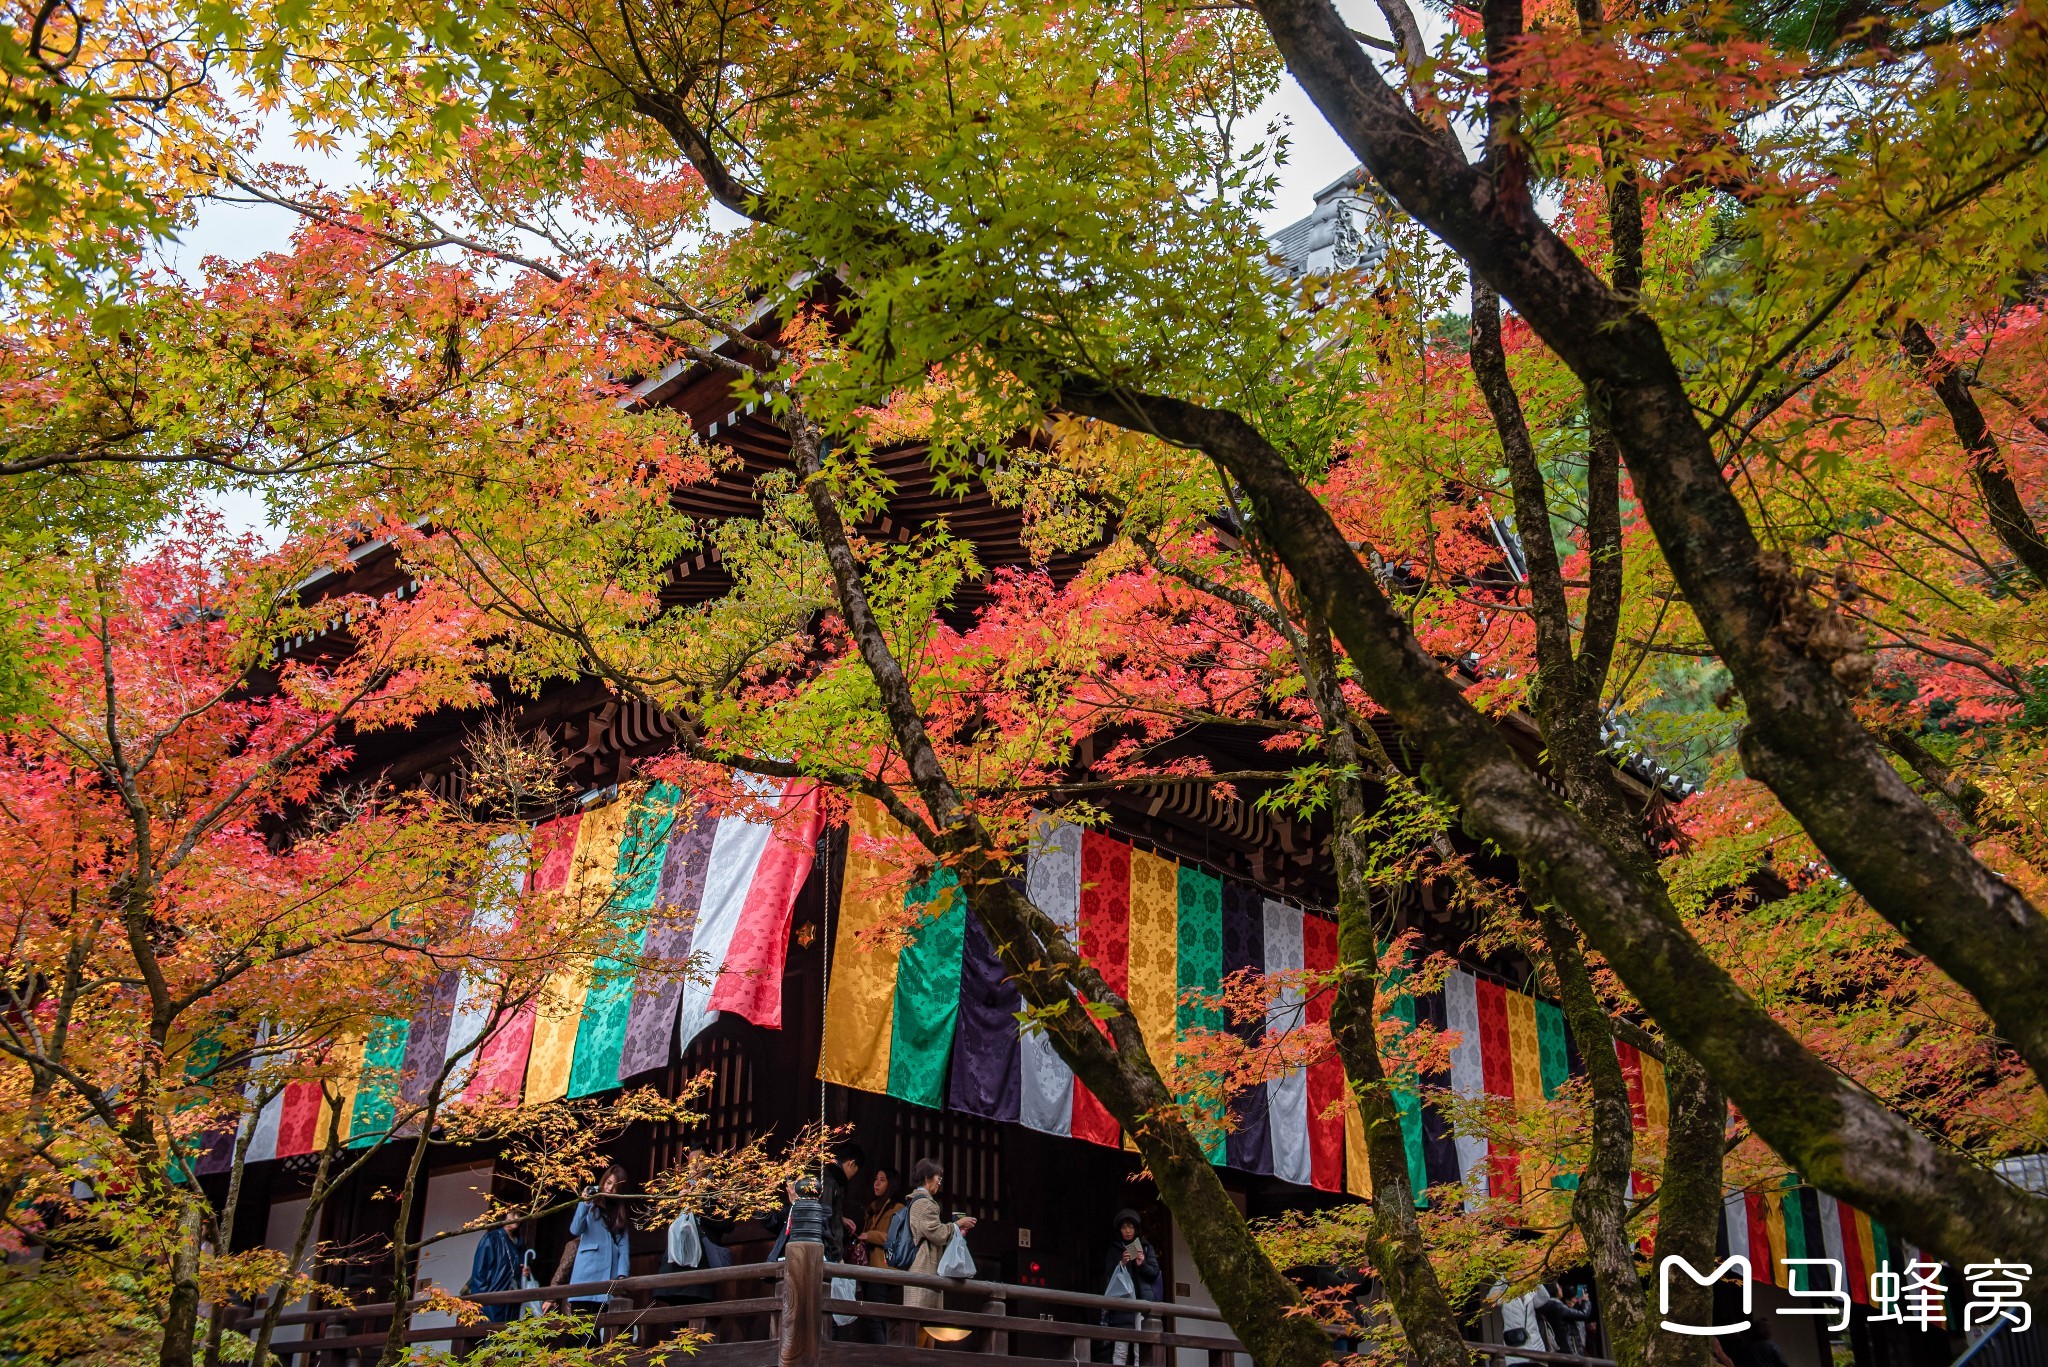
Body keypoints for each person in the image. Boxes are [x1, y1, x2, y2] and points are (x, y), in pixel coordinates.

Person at [901, 1158, 977, 1347]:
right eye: (938, 1177)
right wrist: (956, 1225)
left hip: (920, 1266)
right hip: (924, 1268)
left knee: (924, 1324)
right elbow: (937, 1233)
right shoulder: (926, 1204)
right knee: (923, 1323)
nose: (939, 1182)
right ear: (927, 1178)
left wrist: (954, 1230)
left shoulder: (914, 1201)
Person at [560, 1163, 634, 1344]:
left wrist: (622, 1273)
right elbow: (575, 1229)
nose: (609, 1188)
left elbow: (624, 1246)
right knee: (577, 1331)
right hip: (586, 1274)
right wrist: (584, 1202)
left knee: (597, 1335)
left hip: (608, 1276)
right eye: (608, 1183)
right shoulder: (591, 1205)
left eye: (615, 1186)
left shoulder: (619, 1213)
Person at [1097, 1208, 1162, 1365]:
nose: (1127, 1231)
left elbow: (1154, 1272)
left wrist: (1142, 1264)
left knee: (1140, 1349)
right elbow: (1107, 1275)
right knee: (1121, 1349)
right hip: (1122, 1304)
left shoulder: (1146, 1247)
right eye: (1124, 1227)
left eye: (1131, 1227)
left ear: (1136, 1228)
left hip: (1141, 1303)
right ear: (1119, 1230)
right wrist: (1122, 1263)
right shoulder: (1114, 1249)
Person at [849, 1167, 905, 1344]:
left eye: (882, 1179)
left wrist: (869, 1235)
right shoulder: (872, 1210)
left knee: (875, 1316)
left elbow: (895, 1238)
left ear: (891, 1184)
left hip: (883, 1268)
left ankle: (883, 1355)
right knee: (871, 1315)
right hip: (869, 1268)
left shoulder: (898, 1208)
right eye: (876, 1179)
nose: (876, 1183)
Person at [462, 1216, 523, 1322]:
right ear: (503, 1217)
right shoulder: (492, 1238)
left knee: (510, 1333)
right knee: (492, 1333)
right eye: (513, 1214)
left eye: (519, 1214)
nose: (516, 1217)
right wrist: (484, 1301)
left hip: (513, 1299)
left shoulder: (520, 1242)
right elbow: (479, 1273)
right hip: (493, 1297)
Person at [1534, 1281, 1593, 1355]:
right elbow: (1583, 1314)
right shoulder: (1556, 1306)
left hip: (1562, 1348)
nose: (1561, 1288)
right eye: (1558, 1286)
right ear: (1553, 1289)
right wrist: (1586, 1301)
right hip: (1569, 1348)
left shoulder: (1549, 1305)